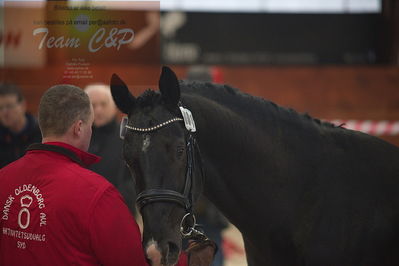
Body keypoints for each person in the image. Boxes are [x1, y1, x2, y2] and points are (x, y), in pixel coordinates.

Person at [0, 84, 209, 265]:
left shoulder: (3, 178)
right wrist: (191, 260)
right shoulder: (97, 194)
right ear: (79, 128)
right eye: (90, 125)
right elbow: (131, 262)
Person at [85, 83, 136, 214]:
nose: (98, 110)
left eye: (103, 104)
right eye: (93, 105)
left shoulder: (127, 136)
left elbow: (135, 178)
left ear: (114, 107)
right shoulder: (79, 136)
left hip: (119, 208)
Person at [0, 83, 41, 168]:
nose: (4, 112)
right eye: (0, 108)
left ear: (23, 105)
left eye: (9, 106)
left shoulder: (41, 132)